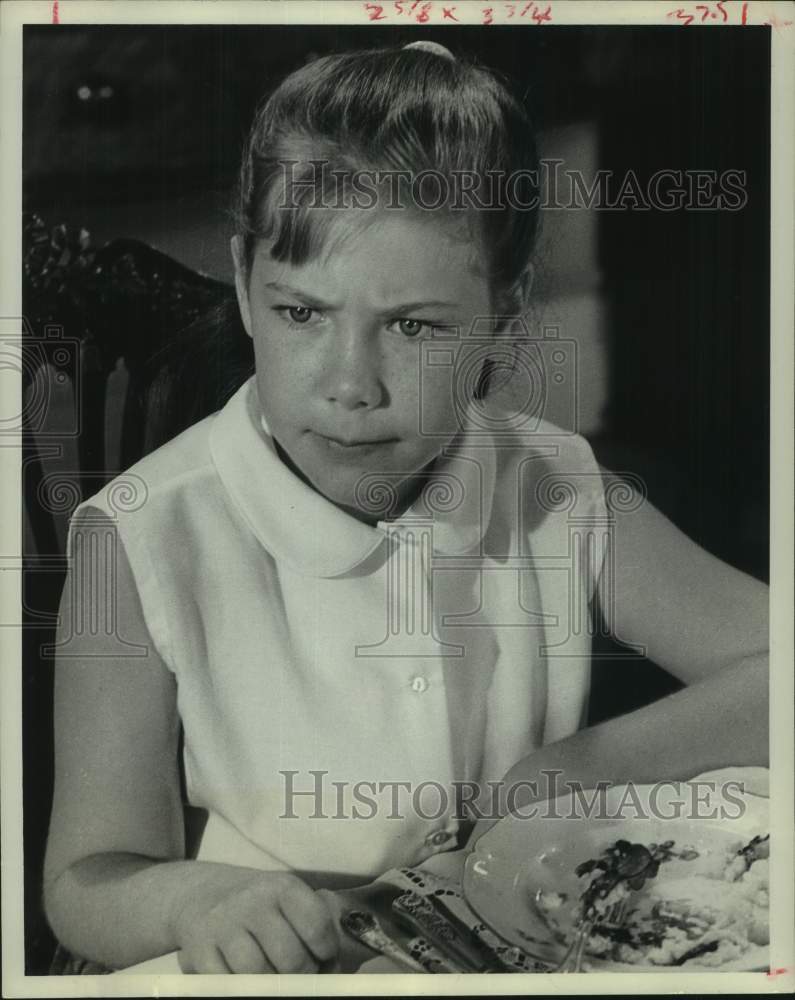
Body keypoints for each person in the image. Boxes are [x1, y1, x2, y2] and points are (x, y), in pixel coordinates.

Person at [43, 41, 768, 974]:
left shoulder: (550, 480)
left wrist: (571, 770)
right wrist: (198, 899)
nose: (350, 385)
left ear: (504, 318)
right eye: (302, 312)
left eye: (415, 327)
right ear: (242, 283)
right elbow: (83, 881)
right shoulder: (144, 532)